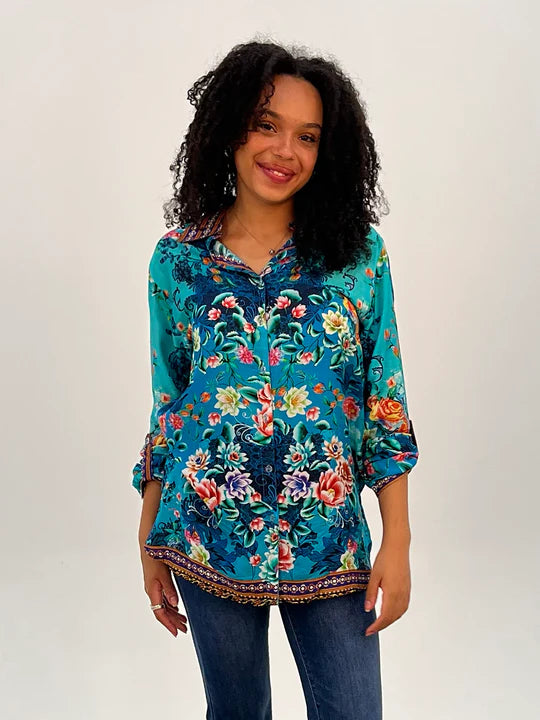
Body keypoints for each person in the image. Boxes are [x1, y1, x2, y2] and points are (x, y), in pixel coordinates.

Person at [132, 39, 420, 720]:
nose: (285, 151)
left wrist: (398, 541)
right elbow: (170, 404)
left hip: (329, 541)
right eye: (267, 125)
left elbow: (385, 403)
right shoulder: (178, 261)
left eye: (307, 136)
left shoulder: (358, 258)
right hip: (207, 533)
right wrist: (148, 540)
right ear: (230, 128)